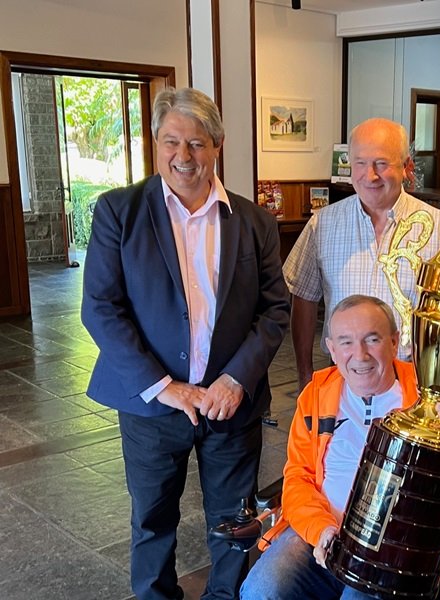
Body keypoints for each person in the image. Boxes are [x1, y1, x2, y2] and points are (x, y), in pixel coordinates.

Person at [81, 87, 290, 600]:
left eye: (196, 143)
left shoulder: (255, 221)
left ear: (217, 145)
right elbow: (101, 309)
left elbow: (274, 309)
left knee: (236, 524)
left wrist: (236, 379)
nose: (183, 156)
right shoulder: (118, 212)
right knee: (152, 521)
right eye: (171, 142)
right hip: (153, 405)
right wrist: (165, 387)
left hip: (229, 404)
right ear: (156, 143)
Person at [239, 295, 440, 600]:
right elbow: (298, 478)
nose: (359, 355)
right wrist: (321, 529)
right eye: (345, 342)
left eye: (371, 339)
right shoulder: (317, 394)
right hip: (323, 532)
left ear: (395, 342)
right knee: (261, 591)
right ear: (332, 349)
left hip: (397, 549)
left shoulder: (434, 395)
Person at [283, 118, 440, 392]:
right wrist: (305, 378)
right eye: (360, 163)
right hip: (343, 382)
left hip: (415, 386)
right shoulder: (324, 224)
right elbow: (304, 298)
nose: (370, 175)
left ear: (406, 167)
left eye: (381, 163)